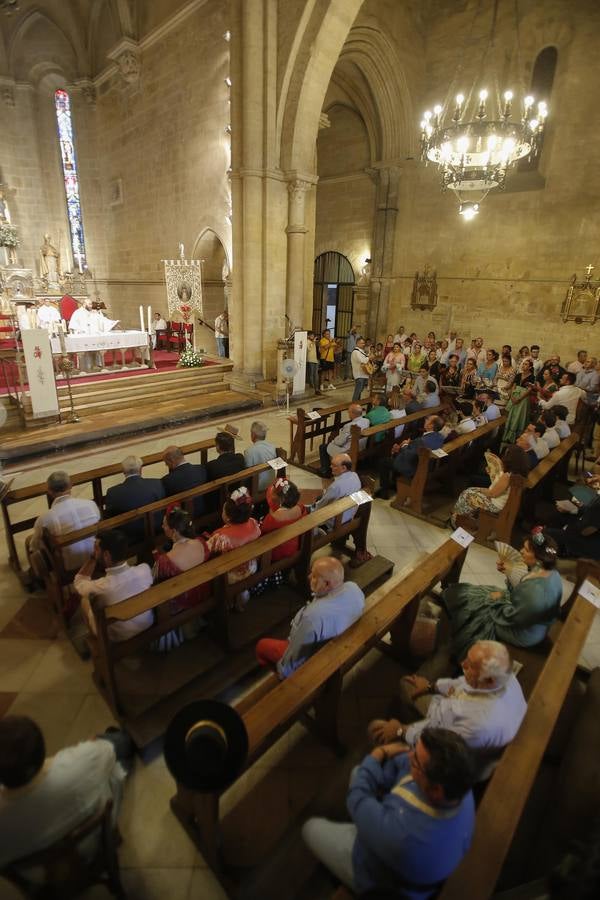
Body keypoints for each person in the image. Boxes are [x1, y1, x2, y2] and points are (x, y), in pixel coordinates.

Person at [302, 728, 476, 897]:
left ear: (436, 790)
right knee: (359, 773)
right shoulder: (459, 790)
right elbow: (402, 763)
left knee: (310, 828)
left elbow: (356, 798)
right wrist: (385, 774)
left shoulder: (403, 836)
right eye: (414, 749)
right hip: (399, 849)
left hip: (382, 879)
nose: (410, 755)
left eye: (416, 760)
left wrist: (379, 753)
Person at [368, 640, 527, 781]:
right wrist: (430, 686)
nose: (463, 664)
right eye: (467, 659)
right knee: (408, 684)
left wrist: (400, 731)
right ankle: (410, 725)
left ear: (489, 680)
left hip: (452, 760)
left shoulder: (478, 725)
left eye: (470, 665)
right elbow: (464, 683)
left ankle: (392, 768)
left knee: (378, 732)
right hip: (448, 718)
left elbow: (439, 747)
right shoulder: (502, 675)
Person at [0, 715, 127, 871]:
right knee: (116, 745)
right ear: (42, 747)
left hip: (45, 875)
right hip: (96, 840)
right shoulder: (81, 759)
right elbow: (108, 751)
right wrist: (90, 746)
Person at [443, 529, 563, 662]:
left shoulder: (534, 592)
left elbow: (513, 618)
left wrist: (494, 602)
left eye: (526, 550)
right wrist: (508, 572)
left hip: (522, 632)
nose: (521, 551)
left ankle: (457, 648)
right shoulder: (552, 573)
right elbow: (521, 592)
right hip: (532, 622)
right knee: (485, 591)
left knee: (481, 607)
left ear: (539, 558)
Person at [256, 556, 365, 677]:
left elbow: (292, 661)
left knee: (261, 645)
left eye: (314, 576)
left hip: (317, 659)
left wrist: (282, 671)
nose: (309, 577)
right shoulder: (353, 588)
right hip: (340, 640)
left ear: (327, 584)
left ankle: (269, 676)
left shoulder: (312, 616)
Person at [74, 529, 153, 641]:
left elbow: (78, 583)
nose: (94, 551)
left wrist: (93, 558)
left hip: (120, 637)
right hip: (147, 624)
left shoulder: (100, 587)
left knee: (84, 600)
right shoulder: (144, 569)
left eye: (96, 548)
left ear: (106, 555)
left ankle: (97, 642)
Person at [28, 470, 100, 572]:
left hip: (67, 567)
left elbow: (34, 546)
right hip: (96, 557)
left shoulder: (44, 518)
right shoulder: (90, 504)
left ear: (49, 491)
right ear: (71, 485)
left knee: (31, 543)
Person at [206, 487, 261, 610]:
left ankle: (229, 601)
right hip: (251, 567)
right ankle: (241, 597)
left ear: (228, 518)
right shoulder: (253, 523)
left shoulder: (221, 536)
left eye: (223, 510)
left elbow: (207, 552)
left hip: (231, 576)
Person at [450, 446, 529, 528]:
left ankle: (456, 519)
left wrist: (479, 490)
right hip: (501, 503)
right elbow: (498, 487)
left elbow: (492, 493)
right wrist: (492, 473)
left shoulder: (507, 476)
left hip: (495, 505)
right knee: (470, 491)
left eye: (506, 454)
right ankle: (462, 516)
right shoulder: (517, 475)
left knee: (467, 494)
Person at [152, 506, 211, 616]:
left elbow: (156, 585)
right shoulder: (201, 542)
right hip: (204, 593)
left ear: (174, 531)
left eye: (164, 524)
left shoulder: (164, 561)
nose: (162, 526)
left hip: (182, 605)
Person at [376, 414, 445, 498]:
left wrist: (403, 445)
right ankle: (395, 484)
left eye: (428, 419)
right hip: (426, 465)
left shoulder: (421, 441)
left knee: (383, 462)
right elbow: (416, 449)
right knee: (396, 454)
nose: (425, 420)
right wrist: (409, 444)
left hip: (413, 467)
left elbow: (407, 455)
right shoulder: (440, 437)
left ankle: (384, 492)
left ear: (431, 426)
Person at [104, 455, 165, 541]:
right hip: (156, 529)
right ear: (141, 469)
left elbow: (109, 516)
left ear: (123, 471)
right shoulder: (156, 483)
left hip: (128, 536)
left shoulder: (113, 492)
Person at [260, 477, 307, 562]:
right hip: (296, 547)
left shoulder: (272, 519)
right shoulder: (301, 508)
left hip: (277, 554)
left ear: (279, 501)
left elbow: (263, 536)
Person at [319, 402, 370, 477]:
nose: (348, 414)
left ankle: (326, 471)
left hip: (349, 451)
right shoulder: (366, 421)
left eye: (349, 412)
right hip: (361, 447)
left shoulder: (350, 426)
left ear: (353, 413)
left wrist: (333, 441)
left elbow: (339, 442)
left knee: (323, 447)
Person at [313, 454, 362, 526]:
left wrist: (312, 511)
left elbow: (321, 506)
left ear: (344, 468)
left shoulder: (335, 486)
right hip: (349, 514)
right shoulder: (355, 475)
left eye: (334, 465)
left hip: (336, 521)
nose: (330, 467)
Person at [162, 445, 207, 516]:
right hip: (204, 510)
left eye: (166, 462)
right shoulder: (201, 469)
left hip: (181, 517)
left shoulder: (167, 480)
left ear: (172, 461)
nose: (166, 465)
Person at [243, 420, 277, 491]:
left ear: (253, 435)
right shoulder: (272, 447)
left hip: (257, 487)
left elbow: (247, 474)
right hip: (271, 483)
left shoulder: (249, 451)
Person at [350, 336, 370, 402]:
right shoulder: (356, 352)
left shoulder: (361, 351)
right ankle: (353, 404)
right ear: (357, 343)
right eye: (361, 343)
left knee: (359, 391)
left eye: (363, 343)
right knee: (357, 391)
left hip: (362, 374)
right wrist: (369, 357)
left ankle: (357, 403)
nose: (363, 344)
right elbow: (362, 361)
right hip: (359, 374)